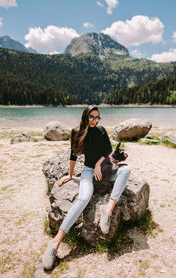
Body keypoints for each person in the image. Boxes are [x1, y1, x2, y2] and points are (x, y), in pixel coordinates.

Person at [42, 105, 131, 270]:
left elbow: (109, 151)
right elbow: (73, 154)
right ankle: (56, 243)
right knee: (83, 198)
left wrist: (99, 163)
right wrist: (70, 175)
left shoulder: (101, 130)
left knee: (126, 170)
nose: (95, 121)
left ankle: (108, 209)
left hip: (103, 169)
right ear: (85, 116)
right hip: (88, 172)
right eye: (92, 117)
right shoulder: (76, 132)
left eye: (97, 117)